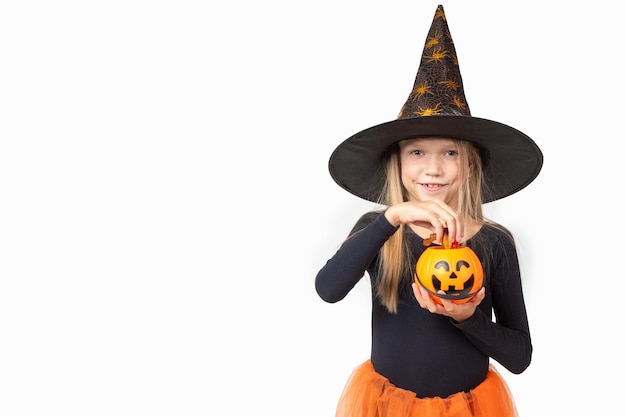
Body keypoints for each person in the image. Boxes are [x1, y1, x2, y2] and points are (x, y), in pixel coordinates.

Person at [315, 5, 543, 417]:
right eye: (417, 151)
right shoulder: (378, 230)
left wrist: (469, 317)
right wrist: (391, 219)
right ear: (397, 163)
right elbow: (327, 289)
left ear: (470, 164)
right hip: (386, 405)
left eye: (450, 153)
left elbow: (520, 357)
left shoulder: (493, 242)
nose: (433, 167)